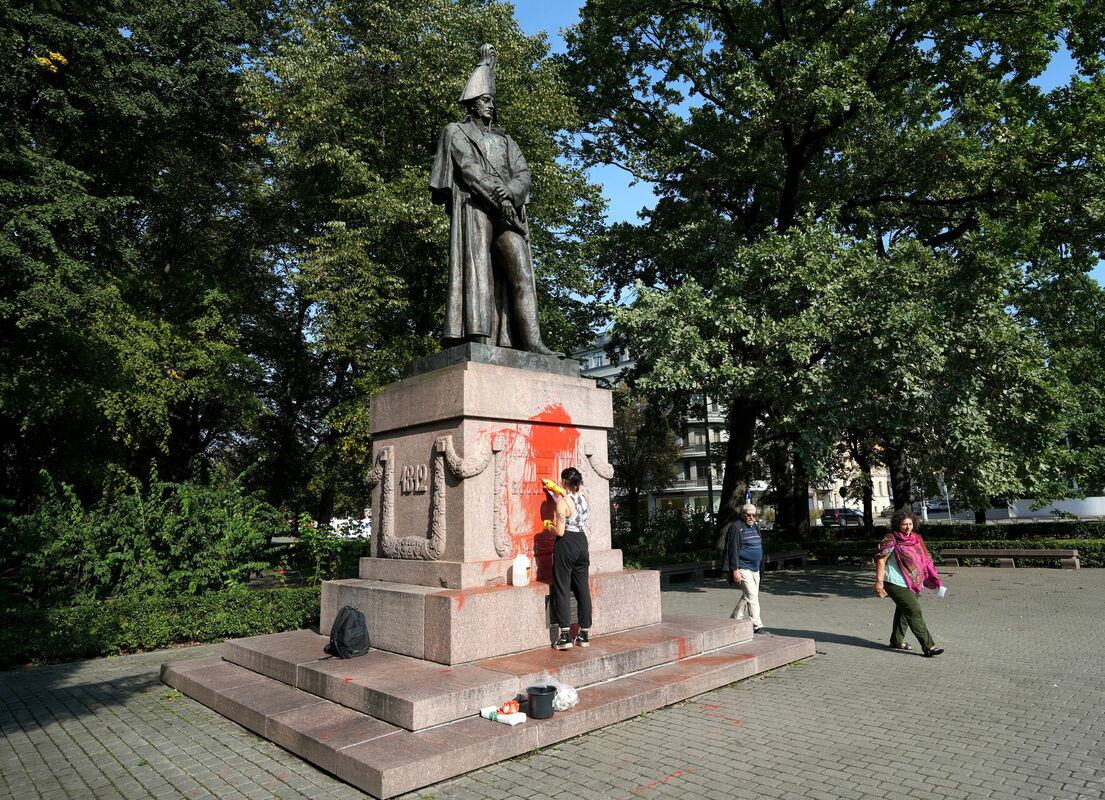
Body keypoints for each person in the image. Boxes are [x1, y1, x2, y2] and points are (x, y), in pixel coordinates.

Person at [429, 44, 558, 355]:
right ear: (473, 104)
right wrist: (496, 197)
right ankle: (477, 338)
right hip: (476, 208)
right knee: (478, 273)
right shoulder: (456, 131)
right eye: (486, 100)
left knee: (522, 275)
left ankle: (532, 342)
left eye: (492, 101)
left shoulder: (505, 139)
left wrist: (511, 192)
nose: (490, 106)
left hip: (508, 211)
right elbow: (469, 170)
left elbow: (523, 173)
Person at [874, 510, 945, 657]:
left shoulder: (916, 538)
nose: (908, 527)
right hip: (894, 581)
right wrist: (879, 582)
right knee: (914, 611)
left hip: (913, 580)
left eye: (910, 524)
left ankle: (896, 641)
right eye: (904, 524)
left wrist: (933, 578)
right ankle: (929, 646)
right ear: (897, 525)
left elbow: (925, 559)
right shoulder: (890, 538)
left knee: (904, 612)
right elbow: (881, 560)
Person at [549, 467, 592, 650]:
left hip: (566, 543)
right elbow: (573, 507)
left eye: (561, 481)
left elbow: (559, 530)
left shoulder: (562, 504)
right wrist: (559, 493)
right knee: (583, 588)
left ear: (565, 482)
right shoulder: (583, 497)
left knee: (562, 587)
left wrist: (548, 525)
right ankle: (584, 634)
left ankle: (565, 635)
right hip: (582, 542)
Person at [721, 502, 765, 633]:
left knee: (749, 595)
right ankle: (757, 625)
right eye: (748, 515)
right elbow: (732, 550)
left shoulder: (755, 526)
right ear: (742, 515)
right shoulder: (736, 527)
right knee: (752, 595)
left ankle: (734, 619)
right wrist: (735, 570)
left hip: (755, 567)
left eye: (753, 515)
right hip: (743, 567)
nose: (751, 517)